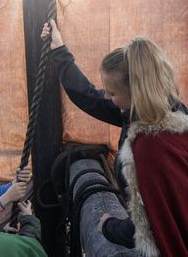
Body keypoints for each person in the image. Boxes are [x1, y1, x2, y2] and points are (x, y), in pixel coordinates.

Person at [41, 20, 188, 257]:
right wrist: (59, 50)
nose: (107, 98)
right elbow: (88, 96)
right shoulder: (153, 112)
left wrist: (109, 226)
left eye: (112, 92)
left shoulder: (150, 146)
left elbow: (148, 226)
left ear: (134, 91)